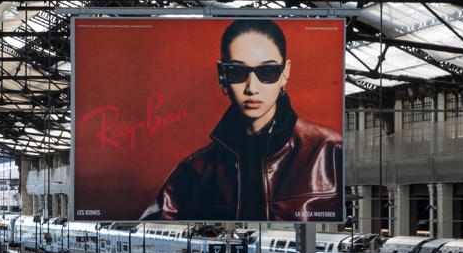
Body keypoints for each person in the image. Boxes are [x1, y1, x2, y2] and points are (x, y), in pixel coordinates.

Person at [140, 19, 342, 221]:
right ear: (222, 73)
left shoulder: (332, 151)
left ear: (285, 73)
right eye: (237, 72)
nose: (252, 88)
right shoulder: (192, 171)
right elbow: (150, 233)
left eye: (267, 71)